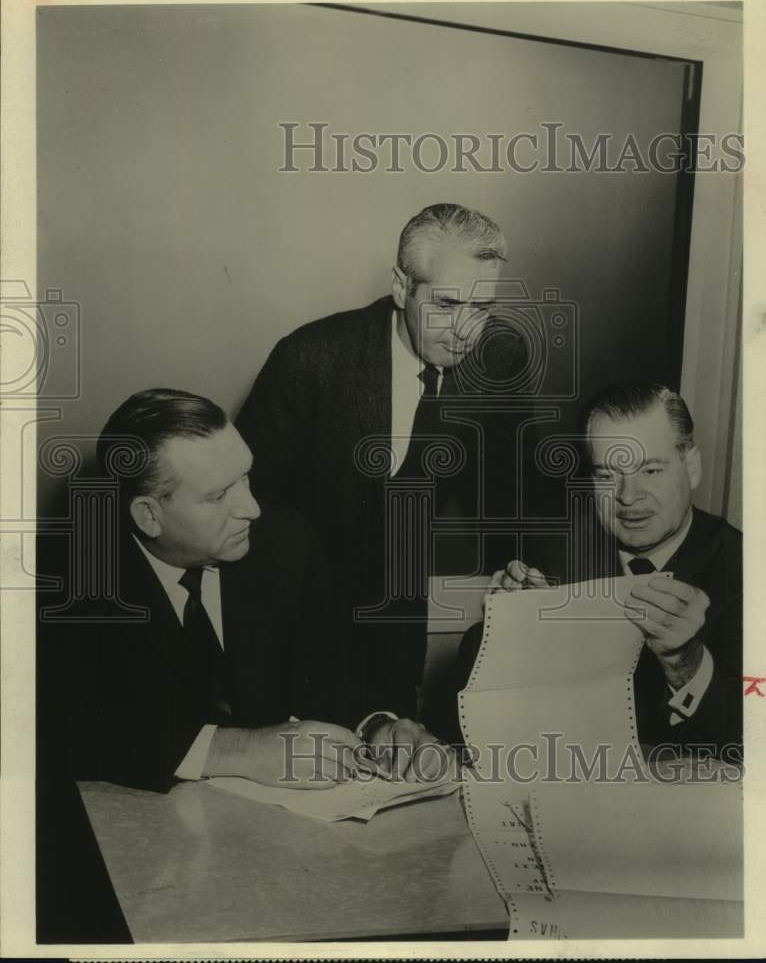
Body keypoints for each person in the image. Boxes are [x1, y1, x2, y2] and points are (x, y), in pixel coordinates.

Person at [37, 389, 444, 797]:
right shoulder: (63, 579)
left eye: (245, 477)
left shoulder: (286, 542)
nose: (252, 508)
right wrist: (236, 752)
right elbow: (63, 726)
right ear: (149, 515)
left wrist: (377, 726)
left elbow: (329, 672)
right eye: (217, 496)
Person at [236, 203, 530, 719]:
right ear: (401, 287)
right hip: (288, 614)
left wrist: (520, 563)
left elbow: (510, 485)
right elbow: (249, 508)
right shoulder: (309, 359)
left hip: (397, 615)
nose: (465, 330)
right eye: (445, 304)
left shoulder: (499, 359)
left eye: (481, 307)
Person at [467, 381, 742, 759]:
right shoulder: (557, 553)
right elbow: (465, 703)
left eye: (650, 470)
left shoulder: (744, 569)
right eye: (607, 475)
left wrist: (687, 663)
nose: (628, 496)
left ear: (691, 467)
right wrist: (511, 632)